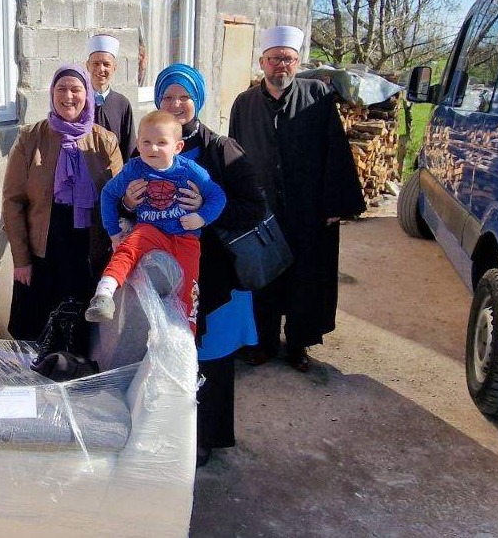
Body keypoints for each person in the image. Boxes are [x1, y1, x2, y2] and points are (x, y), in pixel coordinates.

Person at [227, 25, 365, 372]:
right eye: (274, 59)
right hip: (263, 209)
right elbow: (235, 156)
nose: (281, 66)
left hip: (308, 207)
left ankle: (298, 344)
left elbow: (336, 149)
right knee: (264, 276)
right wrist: (238, 200)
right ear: (262, 62)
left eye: (288, 59)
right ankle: (264, 343)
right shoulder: (244, 104)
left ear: (297, 62)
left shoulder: (317, 95)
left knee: (305, 277)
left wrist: (334, 205)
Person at [152, 63, 268, 467]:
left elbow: (253, 207)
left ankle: (206, 437)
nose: (176, 104)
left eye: (184, 97)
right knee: (169, 356)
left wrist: (208, 209)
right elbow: (126, 202)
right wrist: (129, 203)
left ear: (197, 100)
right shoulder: (149, 146)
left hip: (215, 277)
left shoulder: (222, 150)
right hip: (166, 275)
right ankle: (169, 430)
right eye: (168, 97)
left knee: (212, 359)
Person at [1, 64, 123, 344]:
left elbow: (118, 198)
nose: (68, 96)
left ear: (87, 94)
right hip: (41, 254)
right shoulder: (30, 138)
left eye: (76, 89)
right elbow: (12, 201)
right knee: (33, 335)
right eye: (61, 89)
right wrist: (21, 260)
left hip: (87, 253)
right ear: (52, 93)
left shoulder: (105, 142)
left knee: (78, 336)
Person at [85, 110, 226, 332]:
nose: (153, 148)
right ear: (138, 144)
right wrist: (113, 232)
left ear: (177, 147)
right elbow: (108, 194)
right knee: (127, 248)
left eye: (161, 142)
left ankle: (187, 334)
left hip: (184, 235)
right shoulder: (134, 168)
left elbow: (217, 195)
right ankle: (104, 294)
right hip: (150, 230)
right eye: (146, 142)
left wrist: (202, 217)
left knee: (190, 284)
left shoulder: (189, 169)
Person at [86, 34, 136, 160]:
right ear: (87, 66)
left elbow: (129, 146)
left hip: (115, 169)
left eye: (106, 64)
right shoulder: (78, 101)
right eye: (96, 63)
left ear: (114, 67)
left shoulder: (122, 103)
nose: (101, 69)